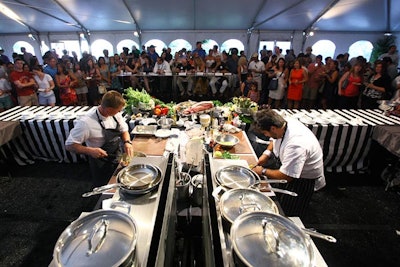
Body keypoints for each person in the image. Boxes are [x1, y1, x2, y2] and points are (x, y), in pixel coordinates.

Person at [251, 109, 325, 217]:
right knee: (279, 199)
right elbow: (274, 138)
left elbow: (287, 176)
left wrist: (262, 171)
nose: (267, 136)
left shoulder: (296, 145)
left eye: (265, 133)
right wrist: (266, 153)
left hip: (302, 180)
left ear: (273, 128)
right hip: (287, 166)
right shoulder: (282, 123)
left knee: (288, 212)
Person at [65, 91, 134, 186]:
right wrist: (90, 151)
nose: (119, 112)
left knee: (119, 182)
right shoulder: (86, 123)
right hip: (100, 161)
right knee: (103, 185)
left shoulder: (115, 114)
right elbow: (69, 145)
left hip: (116, 155)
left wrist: (127, 142)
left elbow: (124, 129)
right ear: (109, 110)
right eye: (118, 111)